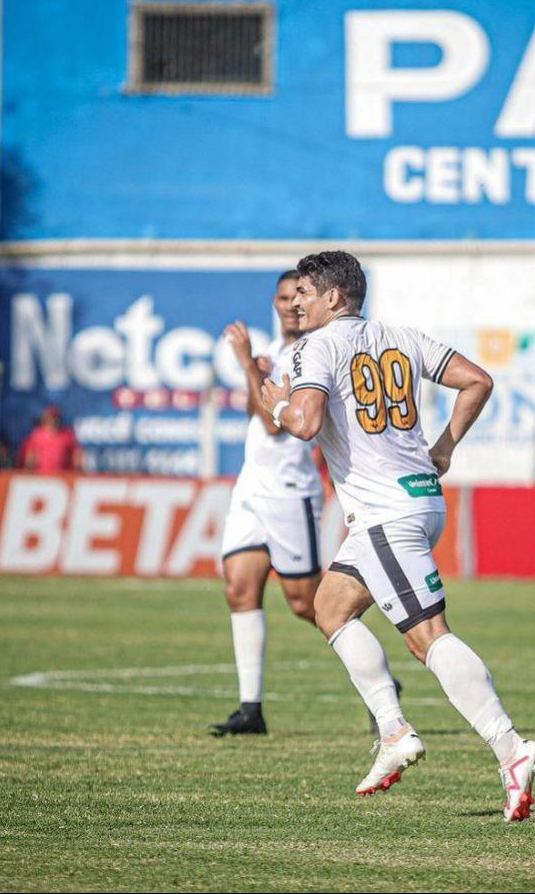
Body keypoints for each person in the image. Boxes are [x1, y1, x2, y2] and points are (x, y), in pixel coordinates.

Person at [260, 251, 535, 822]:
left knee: (427, 638)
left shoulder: (318, 346)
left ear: (334, 298)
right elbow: (477, 381)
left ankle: (510, 747)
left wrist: (279, 406)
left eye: (307, 293)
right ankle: (393, 731)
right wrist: (445, 447)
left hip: (388, 511)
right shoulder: (401, 336)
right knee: (331, 607)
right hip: (413, 500)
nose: (297, 302)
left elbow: (308, 422)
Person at [209, 271, 326, 737]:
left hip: (288, 491)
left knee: (307, 604)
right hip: (251, 489)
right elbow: (257, 416)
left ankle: (378, 680)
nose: (290, 304)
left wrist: (246, 364)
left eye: (299, 296)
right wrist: (256, 369)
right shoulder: (278, 352)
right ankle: (250, 710)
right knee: (239, 589)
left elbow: (278, 424)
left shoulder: (309, 354)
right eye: (283, 296)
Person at [20, 406, 82, 473]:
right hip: (42, 476)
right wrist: (28, 470)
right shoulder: (37, 434)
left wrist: (77, 470)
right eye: (49, 417)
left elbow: (76, 454)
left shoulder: (67, 435)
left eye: (54, 417)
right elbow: (31, 455)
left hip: (62, 476)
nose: (52, 420)